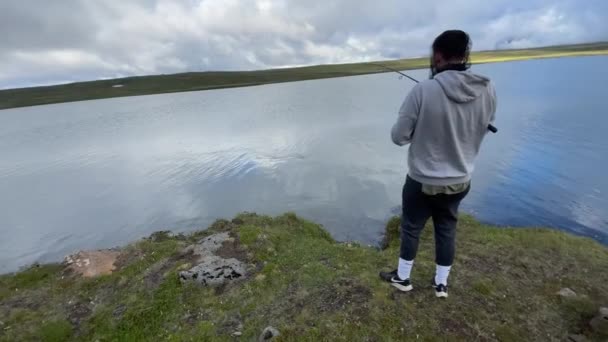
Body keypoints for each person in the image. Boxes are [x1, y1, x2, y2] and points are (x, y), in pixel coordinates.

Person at [380, 30, 497, 298]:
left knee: (411, 227)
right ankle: (441, 285)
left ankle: (403, 278)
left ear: (438, 56)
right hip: (461, 179)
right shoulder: (488, 88)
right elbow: (481, 126)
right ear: (465, 55)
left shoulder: (422, 90)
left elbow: (399, 137)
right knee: (447, 229)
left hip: (422, 180)